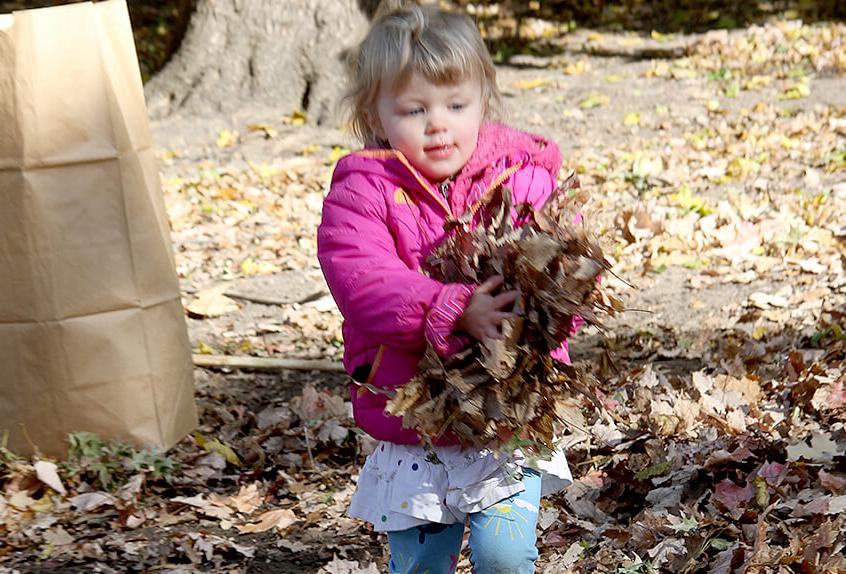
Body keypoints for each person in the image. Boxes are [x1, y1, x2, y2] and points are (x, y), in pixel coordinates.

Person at [317, 1, 576, 572]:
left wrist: (552, 309)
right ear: (375, 113)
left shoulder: (522, 177)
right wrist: (453, 308)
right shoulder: (364, 192)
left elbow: (559, 272)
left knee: (505, 557)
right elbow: (363, 282)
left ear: (483, 98)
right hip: (419, 424)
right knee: (420, 565)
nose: (438, 123)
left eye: (456, 105)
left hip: (501, 415)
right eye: (414, 109)